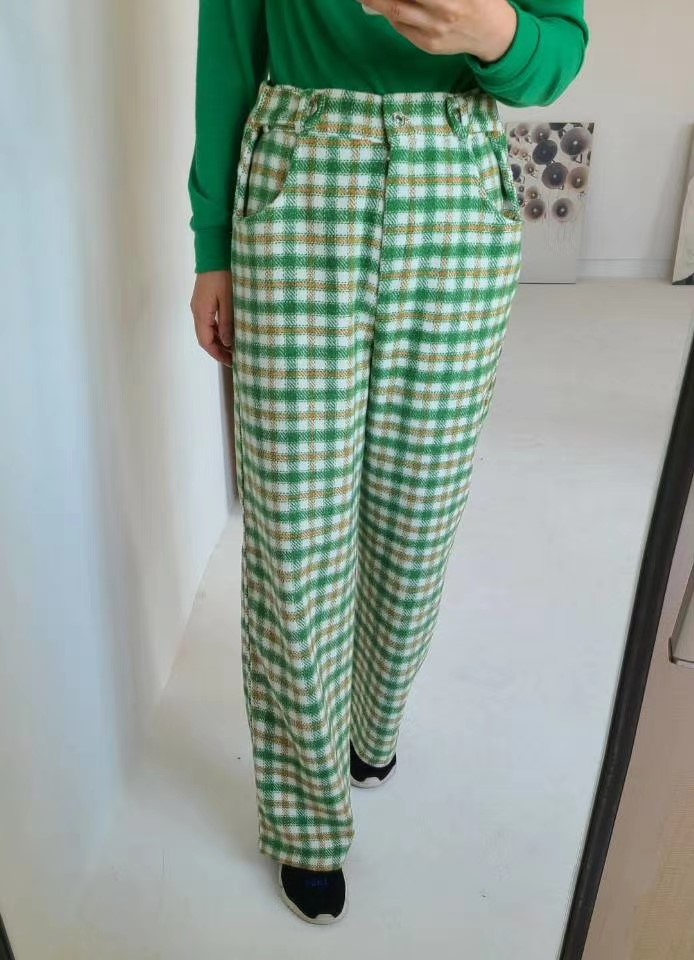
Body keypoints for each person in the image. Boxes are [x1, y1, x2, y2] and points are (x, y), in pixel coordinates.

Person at [188, 0, 589, 925]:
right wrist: (213, 245)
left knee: (419, 510)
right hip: (299, 181)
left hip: (455, 183)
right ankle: (305, 817)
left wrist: (491, 32)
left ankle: (373, 722)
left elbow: (557, 51)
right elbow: (228, 50)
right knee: (294, 534)